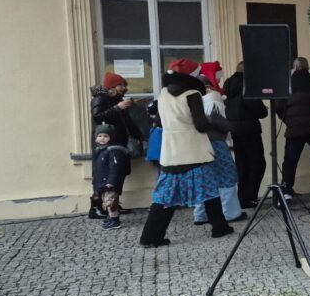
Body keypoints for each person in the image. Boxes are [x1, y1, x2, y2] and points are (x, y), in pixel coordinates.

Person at [138, 59, 233, 248]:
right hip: (194, 150)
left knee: (165, 196)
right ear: (192, 76)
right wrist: (214, 122)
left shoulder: (163, 93)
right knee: (208, 191)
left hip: (171, 152)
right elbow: (200, 125)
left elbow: (158, 122)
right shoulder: (193, 94)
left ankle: (150, 236)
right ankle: (219, 227)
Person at [88, 72, 145, 217]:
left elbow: (127, 121)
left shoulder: (117, 99)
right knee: (102, 174)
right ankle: (95, 207)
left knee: (117, 174)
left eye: (125, 85)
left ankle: (113, 205)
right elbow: (97, 116)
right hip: (104, 143)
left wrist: (140, 136)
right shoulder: (100, 98)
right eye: (121, 84)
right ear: (112, 86)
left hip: (119, 142)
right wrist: (117, 108)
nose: (124, 88)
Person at [192, 68, 243, 225]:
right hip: (215, 142)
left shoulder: (190, 99)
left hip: (198, 144)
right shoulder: (213, 97)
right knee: (226, 176)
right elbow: (215, 119)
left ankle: (201, 214)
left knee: (206, 179)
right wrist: (231, 126)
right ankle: (231, 213)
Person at [277, 57, 310, 198]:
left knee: (290, 160)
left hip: (294, 129)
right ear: (307, 68)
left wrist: (288, 120)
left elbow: (279, 107)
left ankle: (286, 190)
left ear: (295, 68)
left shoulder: (288, 86)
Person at [223, 61, 268, 208]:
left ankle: (241, 198)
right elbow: (259, 110)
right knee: (258, 164)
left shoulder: (228, 86)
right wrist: (263, 108)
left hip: (235, 129)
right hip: (250, 129)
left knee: (242, 164)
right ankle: (249, 198)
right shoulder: (247, 86)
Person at [91, 124, 130, 231]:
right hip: (102, 182)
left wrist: (111, 181)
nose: (102, 138)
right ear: (96, 138)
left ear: (111, 138)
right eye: (100, 136)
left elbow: (115, 168)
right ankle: (110, 217)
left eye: (105, 136)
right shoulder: (100, 150)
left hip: (110, 183)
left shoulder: (113, 151)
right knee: (106, 201)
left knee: (110, 202)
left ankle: (115, 221)